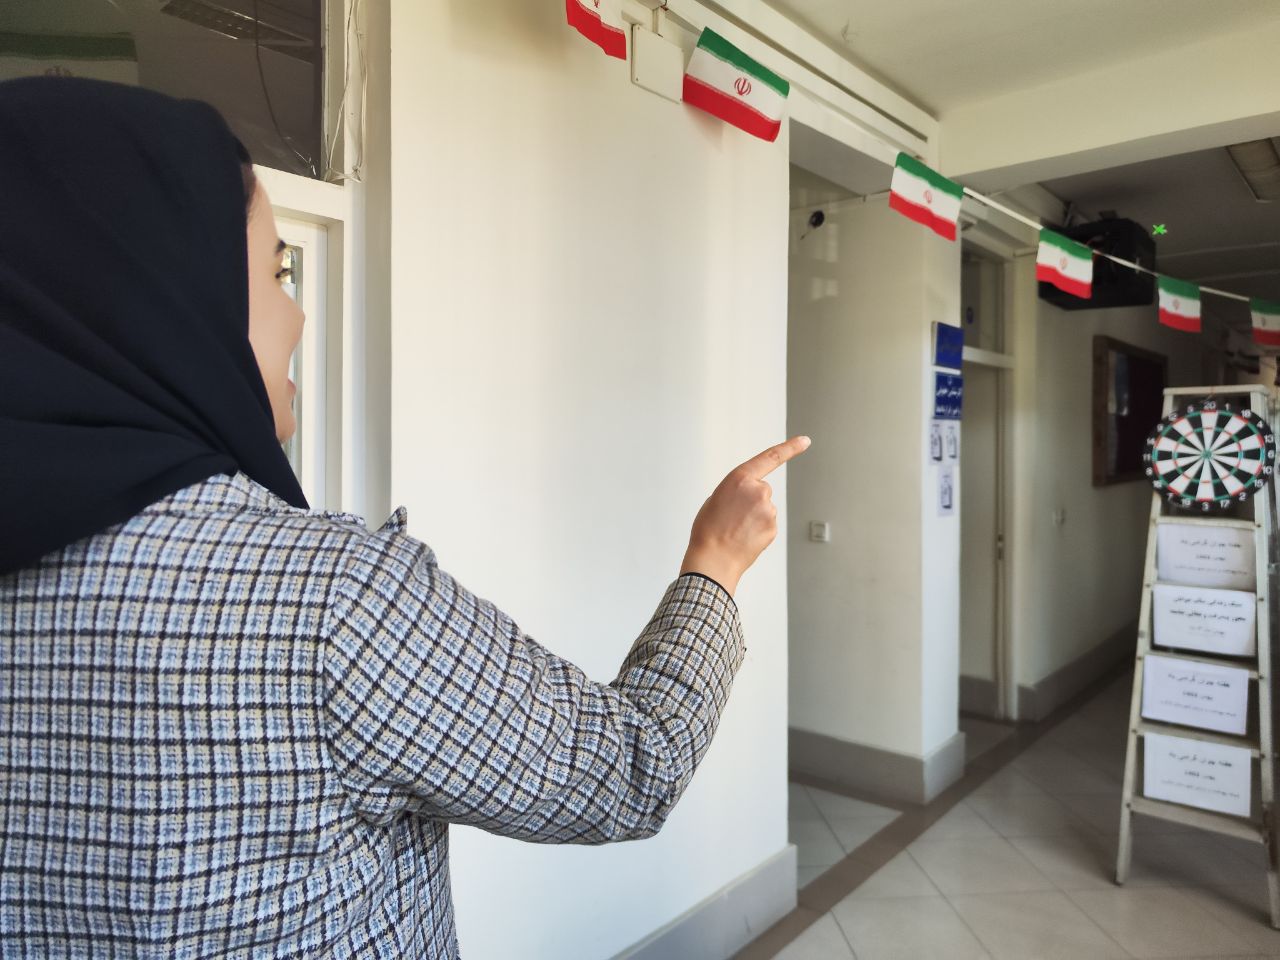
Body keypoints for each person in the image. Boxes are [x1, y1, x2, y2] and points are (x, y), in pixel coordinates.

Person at [0, 77, 811, 959]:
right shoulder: (330, 602)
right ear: (166, 296)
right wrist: (715, 563)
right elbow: (627, 769)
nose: (298, 311)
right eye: (275, 271)